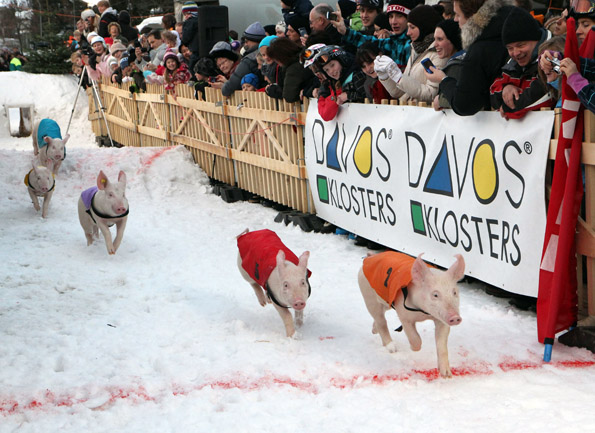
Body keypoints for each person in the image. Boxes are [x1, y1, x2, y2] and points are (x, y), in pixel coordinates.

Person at [425, 0, 514, 116]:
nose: (455, 19)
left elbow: (464, 103)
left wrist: (444, 80)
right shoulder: (511, 22)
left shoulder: (478, 50)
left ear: (472, 16)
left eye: (458, 14)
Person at [489, 7, 553, 119]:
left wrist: (507, 108)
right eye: (510, 48)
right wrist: (505, 88)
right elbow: (492, 92)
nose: (516, 53)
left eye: (520, 45)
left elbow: (541, 95)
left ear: (537, 40)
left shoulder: (551, 60)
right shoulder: (511, 66)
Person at [374, 5, 445, 103]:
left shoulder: (437, 53)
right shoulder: (415, 48)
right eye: (408, 27)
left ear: (424, 26)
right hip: (408, 112)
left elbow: (430, 94)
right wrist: (385, 76)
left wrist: (399, 77)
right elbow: (400, 92)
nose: (408, 32)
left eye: (412, 27)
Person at [333, 0, 416, 72]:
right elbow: (369, 43)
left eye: (399, 16)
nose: (393, 21)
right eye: (391, 16)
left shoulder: (414, 44)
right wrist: (345, 31)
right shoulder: (392, 42)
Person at [303, 44, 365, 121]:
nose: (331, 71)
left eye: (332, 65)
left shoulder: (357, 74)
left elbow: (368, 97)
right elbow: (326, 114)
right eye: (326, 70)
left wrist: (348, 96)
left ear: (341, 60)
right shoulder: (331, 83)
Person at [218, 22, 265, 97]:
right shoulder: (269, 54)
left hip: (253, 102)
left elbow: (231, 86)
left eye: (247, 41)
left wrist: (223, 87)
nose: (245, 44)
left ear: (256, 41)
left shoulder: (249, 60)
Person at [265, 36, 318, 101]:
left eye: (276, 61)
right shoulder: (304, 55)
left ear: (280, 58)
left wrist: (273, 90)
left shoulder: (293, 69)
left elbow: (289, 96)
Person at [430, 19, 464, 110]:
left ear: (453, 40)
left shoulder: (457, 66)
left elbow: (460, 99)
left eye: (440, 39)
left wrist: (440, 101)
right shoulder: (453, 63)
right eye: (435, 39)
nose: (435, 44)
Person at [181, 1, 201, 73]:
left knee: (193, 69)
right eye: (184, 14)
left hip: (195, 50)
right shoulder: (202, 21)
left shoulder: (189, 22)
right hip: (202, 50)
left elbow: (186, 37)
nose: (186, 16)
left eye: (187, 13)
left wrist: (183, 42)